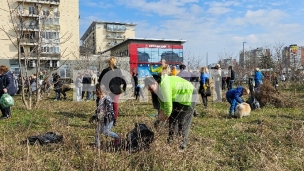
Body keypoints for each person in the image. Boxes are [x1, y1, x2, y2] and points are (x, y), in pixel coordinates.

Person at [144, 74, 198, 150]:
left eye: (151, 89)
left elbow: (168, 104)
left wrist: (165, 116)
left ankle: (182, 145)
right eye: (149, 90)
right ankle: (170, 141)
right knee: (172, 119)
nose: (151, 91)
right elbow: (162, 103)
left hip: (189, 94)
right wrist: (161, 114)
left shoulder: (164, 86)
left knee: (183, 121)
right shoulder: (158, 88)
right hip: (177, 97)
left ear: (155, 83)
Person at [89, 84, 120, 149]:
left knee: (106, 132)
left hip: (108, 119)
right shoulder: (100, 99)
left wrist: (102, 114)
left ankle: (117, 137)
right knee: (97, 131)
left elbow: (109, 110)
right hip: (101, 119)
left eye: (98, 94)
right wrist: (95, 116)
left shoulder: (107, 99)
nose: (97, 95)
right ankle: (97, 145)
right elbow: (98, 109)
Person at [98, 57, 126, 126]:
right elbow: (121, 80)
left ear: (109, 62)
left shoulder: (105, 71)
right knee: (115, 105)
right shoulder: (118, 70)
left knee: (108, 105)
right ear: (115, 62)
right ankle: (115, 120)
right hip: (116, 90)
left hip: (108, 90)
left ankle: (107, 119)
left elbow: (100, 80)